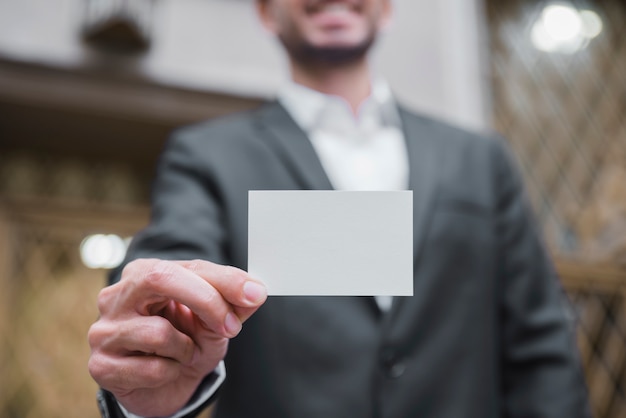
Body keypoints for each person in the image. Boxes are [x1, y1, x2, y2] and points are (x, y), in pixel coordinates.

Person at [88, 1, 591, 417]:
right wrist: (149, 348)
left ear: (388, 9)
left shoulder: (480, 160)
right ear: (266, 13)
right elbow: (171, 267)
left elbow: (540, 341)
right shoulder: (209, 156)